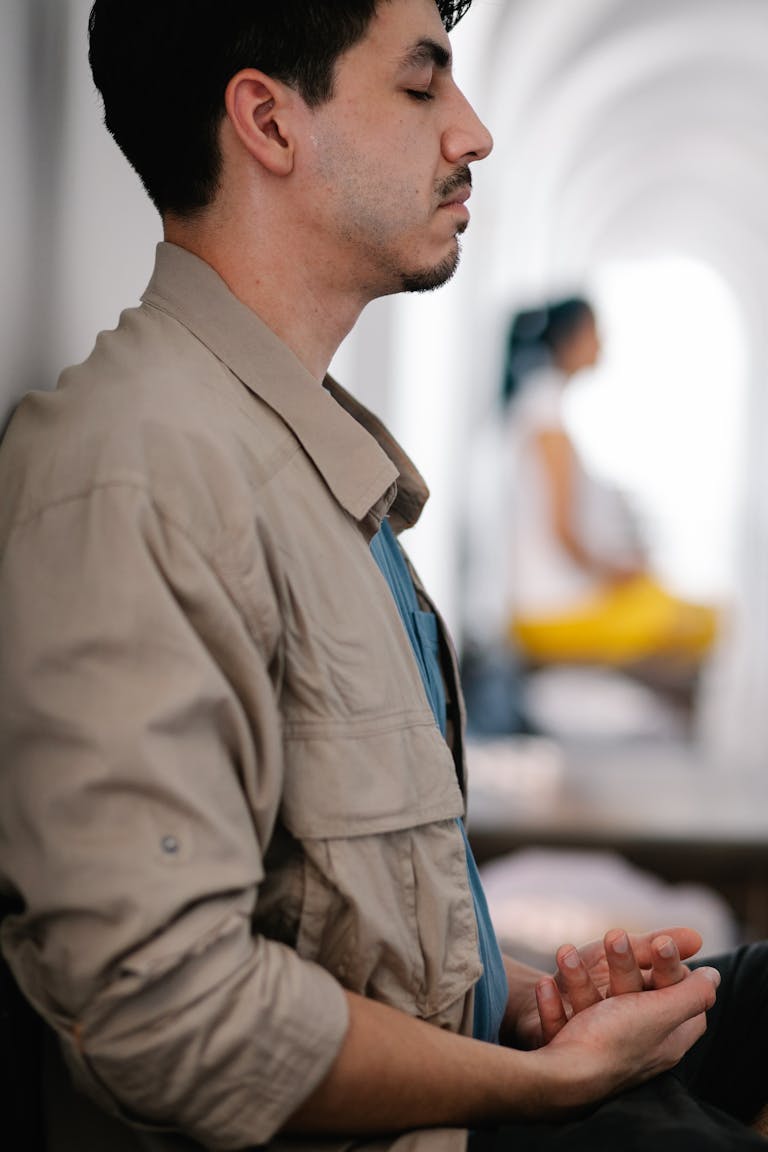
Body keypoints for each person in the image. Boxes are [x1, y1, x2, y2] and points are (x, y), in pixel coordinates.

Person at [0, 3, 765, 1150]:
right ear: (266, 120)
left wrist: (525, 999)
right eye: (423, 87)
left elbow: (337, 922)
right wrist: (541, 1083)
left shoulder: (292, 458)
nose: (473, 133)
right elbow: (166, 1016)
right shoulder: (136, 474)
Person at [501, 297, 719, 679]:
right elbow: (563, 531)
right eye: (595, 333)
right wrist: (614, 571)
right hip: (548, 610)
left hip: (549, 599)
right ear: (570, 340)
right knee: (704, 619)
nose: (602, 344)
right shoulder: (546, 415)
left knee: (672, 599)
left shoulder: (541, 407)